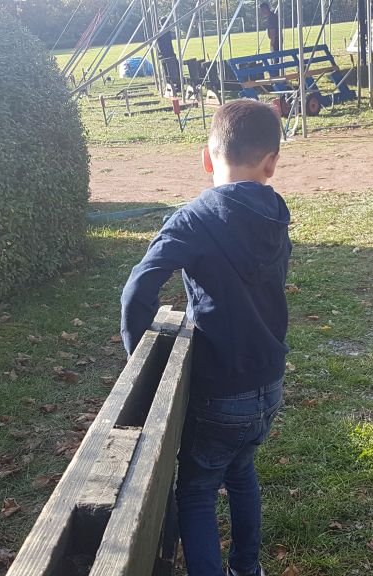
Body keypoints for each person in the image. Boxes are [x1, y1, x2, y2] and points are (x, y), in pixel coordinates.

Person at [120, 99, 290, 576]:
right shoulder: (277, 213)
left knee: (196, 492)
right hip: (269, 383)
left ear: (206, 159)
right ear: (271, 163)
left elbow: (138, 290)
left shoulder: (193, 219)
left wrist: (140, 363)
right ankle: (247, 569)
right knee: (241, 470)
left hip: (219, 391)